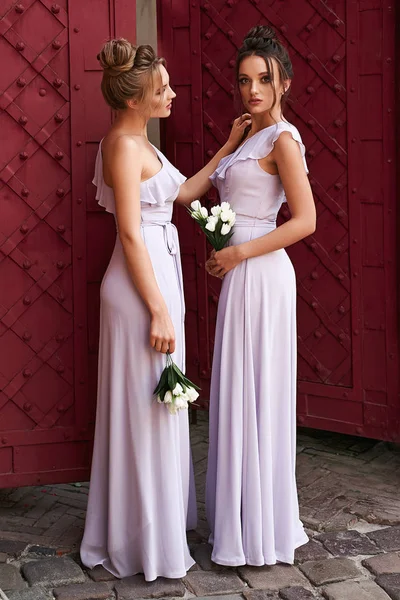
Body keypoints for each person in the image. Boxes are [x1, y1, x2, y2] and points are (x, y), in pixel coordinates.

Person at [80, 38, 251, 582]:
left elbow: (186, 194)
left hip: (157, 278)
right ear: (136, 101)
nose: (172, 94)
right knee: (146, 407)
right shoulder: (122, 146)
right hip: (138, 290)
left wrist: (227, 146)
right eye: (163, 89)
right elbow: (129, 232)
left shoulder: (143, 144)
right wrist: (158, 311)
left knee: (160, 406)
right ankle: (140, 542)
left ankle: (155, 530)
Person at [205, 25, 316, 567]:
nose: (253, 89)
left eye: (264, 79)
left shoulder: (283, 140)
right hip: (239, 273)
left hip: (263, 272)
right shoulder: (246, 138)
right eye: (245, 79)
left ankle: (262, 527)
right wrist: (227, 146)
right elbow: (198, 195)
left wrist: (239, 254)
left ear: (283, 83)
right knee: (236, 393)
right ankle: (238, 521)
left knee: (260, 394)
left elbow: (306, 222)